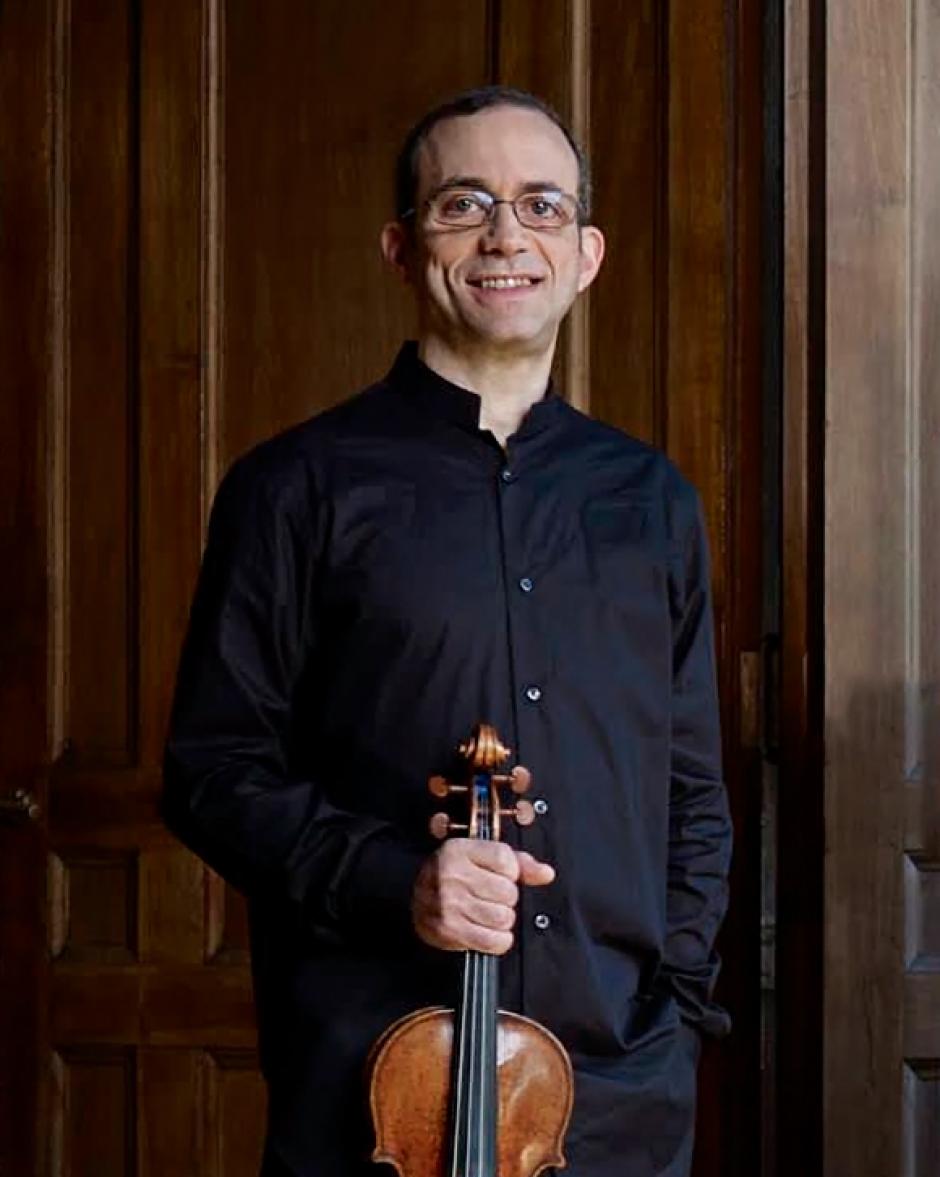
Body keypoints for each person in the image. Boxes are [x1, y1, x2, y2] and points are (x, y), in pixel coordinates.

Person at [163, 85, 732, 1177]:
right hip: (378, 1079)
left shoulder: (650, 499)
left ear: (587, 253)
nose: (506, 235)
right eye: (463, 204)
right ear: (399, 245)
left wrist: (678, 1007)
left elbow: (690, 787)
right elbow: (212, 771)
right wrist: (394, 879)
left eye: (541, 207)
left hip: (617, 1080)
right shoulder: (295, 487)